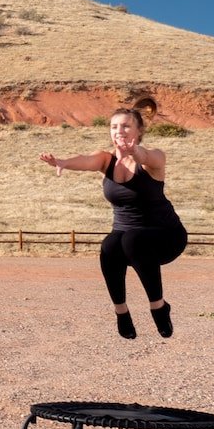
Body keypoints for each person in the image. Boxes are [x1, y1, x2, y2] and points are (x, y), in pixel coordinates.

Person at [39, 98, 186, 338]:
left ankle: (159, 307)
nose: (119, 131)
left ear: (139, 131)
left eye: (126, 126)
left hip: (166, 237)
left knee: (131, 239)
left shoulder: (154, 159)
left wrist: (135, 151)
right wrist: (63, 162)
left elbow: (148, 157)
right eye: (115, 126)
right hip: (130, 239)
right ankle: (122, 312)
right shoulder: (107, 160)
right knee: (109, 245)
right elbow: (86, 160)